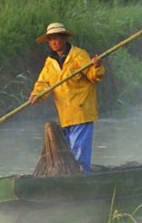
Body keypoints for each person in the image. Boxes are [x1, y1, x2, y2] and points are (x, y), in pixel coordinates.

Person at [32, 21, 105, 173]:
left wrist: (97, 66)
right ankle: (71, 179)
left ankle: (82, 179)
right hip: (64, 115)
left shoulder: (78, 55)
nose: (54, 42)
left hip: (81, 112)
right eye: (51, 39)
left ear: (64, 38)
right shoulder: (50, 62)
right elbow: (43, 84)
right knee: (67, 154)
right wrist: (37, 95)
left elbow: (93, 76)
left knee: (79, 153)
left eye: (57, 38)